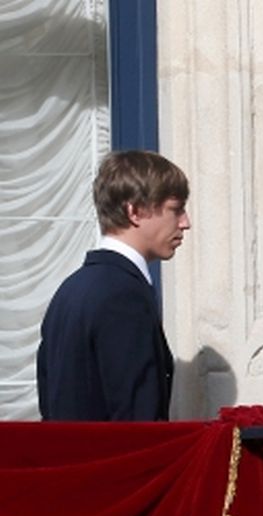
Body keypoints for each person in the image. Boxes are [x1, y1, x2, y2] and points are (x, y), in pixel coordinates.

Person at [37, 150, 190, 420]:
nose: (185, 222)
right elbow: (137, 422)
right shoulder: (123, 295)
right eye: (175, 209)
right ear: (135, 211)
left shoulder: (71, 290)